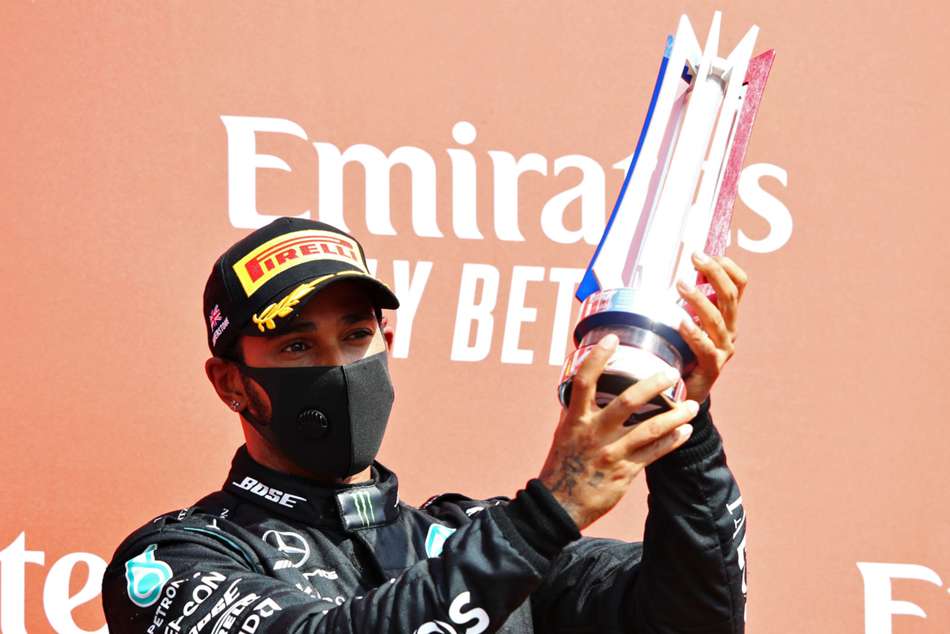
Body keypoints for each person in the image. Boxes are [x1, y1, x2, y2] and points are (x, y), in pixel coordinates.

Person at [102, 217, 749, 633]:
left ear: (387, 342)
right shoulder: (173, 562)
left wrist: (682, 431)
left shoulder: (469, 535)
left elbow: (695, 619)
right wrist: (546, 513)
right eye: (297, 346)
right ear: (231, 383)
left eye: (356, 336)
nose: (339, 366)